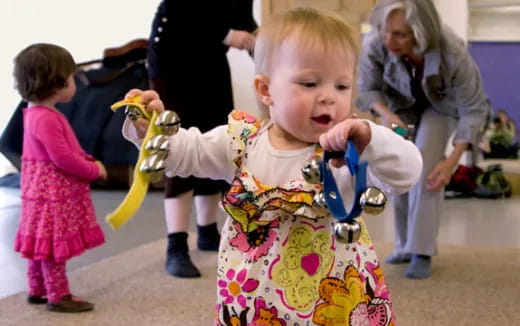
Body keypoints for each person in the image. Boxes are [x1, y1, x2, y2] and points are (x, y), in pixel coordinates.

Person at [122, 8, 422, 324]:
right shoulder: (241, 142)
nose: (329, 98)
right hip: (254, 304)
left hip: (334, 305)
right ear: (266, 90)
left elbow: (407, 173)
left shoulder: (348, 149)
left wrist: (371, 137)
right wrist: (149, 128)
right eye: (309, 83)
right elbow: (182, 153)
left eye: (342, 86)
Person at [356, 0, 491, 279]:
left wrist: (451, 162)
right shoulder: (377, 41)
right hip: (397, 107)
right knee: (398, 166)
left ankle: (421, 249)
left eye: (401, 34)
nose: (389, 40)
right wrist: (388, 115)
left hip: (441, 107)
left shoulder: (451, 49)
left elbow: (473, 109)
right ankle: (404, 245)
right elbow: (367, 89)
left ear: (420, 33)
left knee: (428, 162)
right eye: (387, 32)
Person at [147, 0, 257, 278]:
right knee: (179, 147)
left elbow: (245, 22)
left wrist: (268, 52)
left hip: (210, 61)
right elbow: (180, 8)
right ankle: (177, 245)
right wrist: (226, 34)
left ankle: (207, 232)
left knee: (216, 142)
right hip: (174, 61)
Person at [12, 43, 107, 312]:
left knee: (40, 241)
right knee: (53, 245)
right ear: (55, 85)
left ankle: (37, 288)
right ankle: (58, 294)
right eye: (71, 78)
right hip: (52, 195)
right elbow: (63, 158)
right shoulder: (47, 119)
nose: (74, 83)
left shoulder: (34, 113)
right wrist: (93, 170)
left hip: (39, 193)